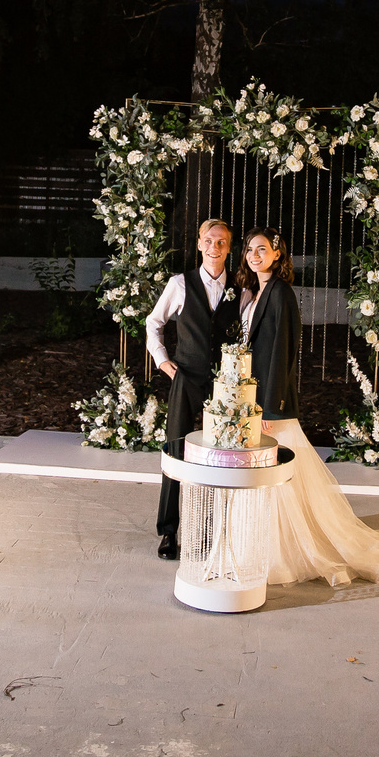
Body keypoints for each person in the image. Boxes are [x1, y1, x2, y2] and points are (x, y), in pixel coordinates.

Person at [235, 227, 379, 589]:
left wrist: (268, 407)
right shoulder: (255, 292)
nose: (254, 255)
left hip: (271, 406)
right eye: (250, 249)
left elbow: (283, 353)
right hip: (256, 399)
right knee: (276, 481)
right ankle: (270, 547)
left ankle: (286, 554)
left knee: (283, 479)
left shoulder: (280, 293)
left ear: (278, 255)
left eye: (262, 249)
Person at [145, 217, 241, 560]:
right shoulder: (180, 284)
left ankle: (214, 532)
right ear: (199, 243)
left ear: (229, 248)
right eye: (209, 240)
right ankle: (169, 532)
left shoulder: (241, 286)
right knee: (175, 452)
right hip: (186, 378)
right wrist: (162, 360)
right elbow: (153, 322)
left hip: (225, 386)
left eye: (221, 242)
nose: (214, 247)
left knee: (222, 456)